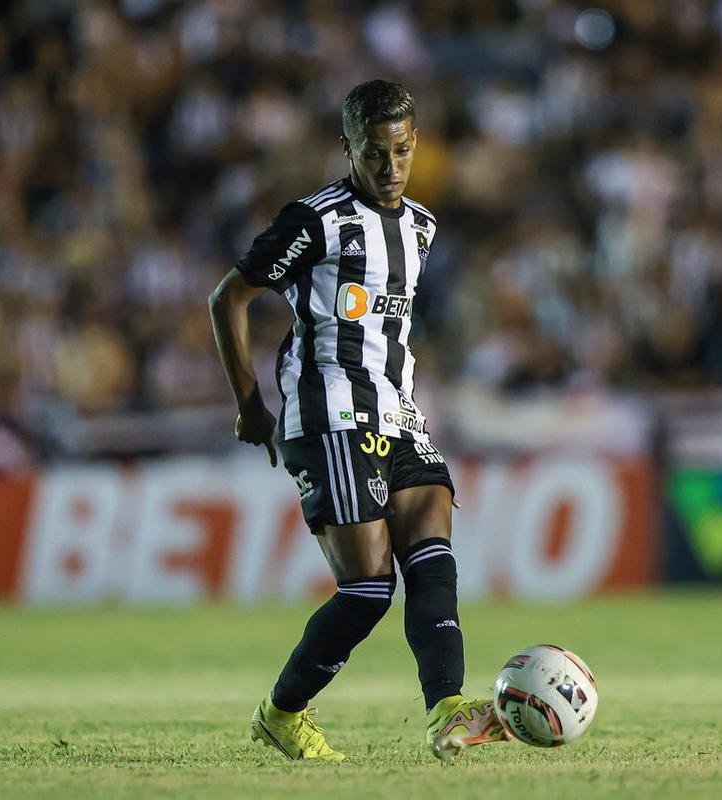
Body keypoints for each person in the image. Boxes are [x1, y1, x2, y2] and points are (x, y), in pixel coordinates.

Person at [208, 80, 506, 762]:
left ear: (415, 144)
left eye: (401, 150)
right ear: (349, 147)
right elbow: (229, 297)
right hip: (331, 411)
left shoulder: (422, 227)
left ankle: (447, 711)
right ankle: (282, 713)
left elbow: (387, 323)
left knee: (433, 550)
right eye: (375, 152)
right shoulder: (314, 220)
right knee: (370, 586)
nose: (390, 165)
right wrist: (250, 404)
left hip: (398, 409)